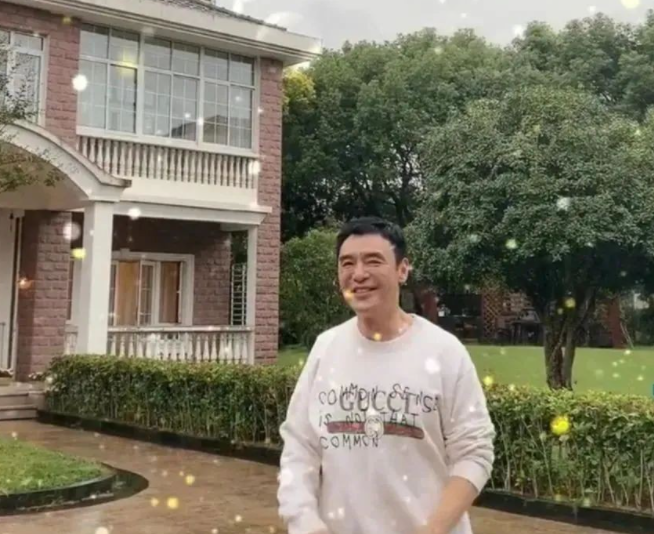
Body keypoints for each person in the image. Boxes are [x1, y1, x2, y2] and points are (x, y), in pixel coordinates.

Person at [277, 217, 495, 534]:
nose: (358, 274)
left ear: (402, 270)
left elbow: (474, 452)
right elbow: (300, 448)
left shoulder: (444, 352)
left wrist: (433, 530)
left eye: (373, 261)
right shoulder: (326, 348)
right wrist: (306, 523)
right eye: (347, 263)